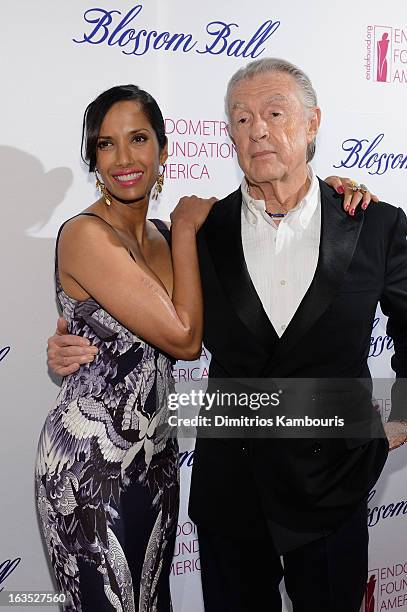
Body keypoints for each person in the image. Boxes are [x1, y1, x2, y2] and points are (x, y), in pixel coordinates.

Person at [46, 59, 406, 612]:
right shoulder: (198, 233)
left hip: (333, 489)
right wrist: (67, 339)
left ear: (312, 124)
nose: (257, 129)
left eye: (274, 113)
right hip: (229, 497)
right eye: (240, 119)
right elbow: (137, 309)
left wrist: (398, 422)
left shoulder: (373, 223)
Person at [35, 84, 216, 612]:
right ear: (93, 158)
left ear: (162, 147)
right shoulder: (86, 235)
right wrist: (186, 231)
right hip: (90, 469)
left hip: (158, 462)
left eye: (138, 138)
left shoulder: (163, 232)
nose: (124, 158)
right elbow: (184, 339)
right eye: (106, 144)